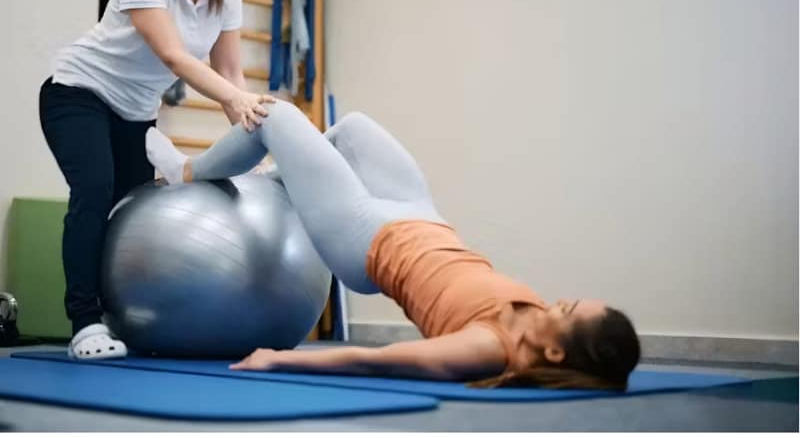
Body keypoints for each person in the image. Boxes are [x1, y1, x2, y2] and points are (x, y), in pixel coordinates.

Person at [145, 100, 641, 389]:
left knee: (272, 116)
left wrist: (281, 359)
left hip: (368, 241)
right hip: (422, 215)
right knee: (353, 130)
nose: (558, 301)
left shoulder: (488, 347)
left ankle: (185, 172)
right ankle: (277, 180)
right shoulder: (535, 321)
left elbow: (380, 359)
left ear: (554, 353)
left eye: (568, 309)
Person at [39, 0, 274, 360]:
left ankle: (117, 315)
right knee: (95, 190)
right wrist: (234, 101)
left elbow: (231, 72)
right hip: (77, 92)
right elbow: (174, 57)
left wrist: (257, 146)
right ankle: (84, 323)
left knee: (129, 209)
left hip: (133, 111)